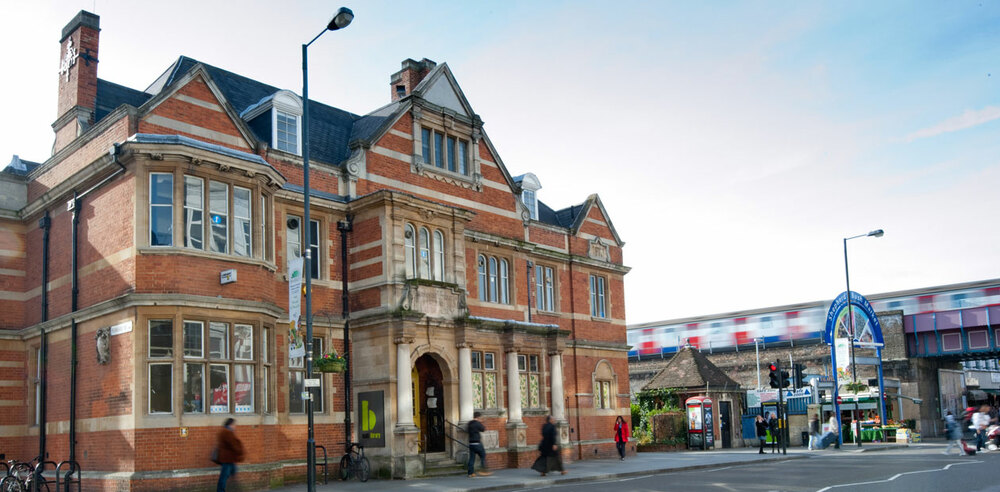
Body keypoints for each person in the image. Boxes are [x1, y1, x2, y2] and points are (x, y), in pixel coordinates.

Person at [215, 418, 245, 492]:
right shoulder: (227, 433)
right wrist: (240, 451)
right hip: (227, 459)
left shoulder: (225, 432)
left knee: (231, 474)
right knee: (225, 476)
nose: (235, 426)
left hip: (229, 459)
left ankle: (233, 488)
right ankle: (221, 490)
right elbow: (233, 444)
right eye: (234, 424)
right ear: (230, 424)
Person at [466, 412, 492, 477]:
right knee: (483, 455)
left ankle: (470, 473)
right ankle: (483, 470)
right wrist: (481, 423)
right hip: (477, 443)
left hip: (471, 443)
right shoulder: (477, 423)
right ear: (478, 417)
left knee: (472, 458)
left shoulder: (470, 423)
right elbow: (483, 429)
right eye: (480, 417)